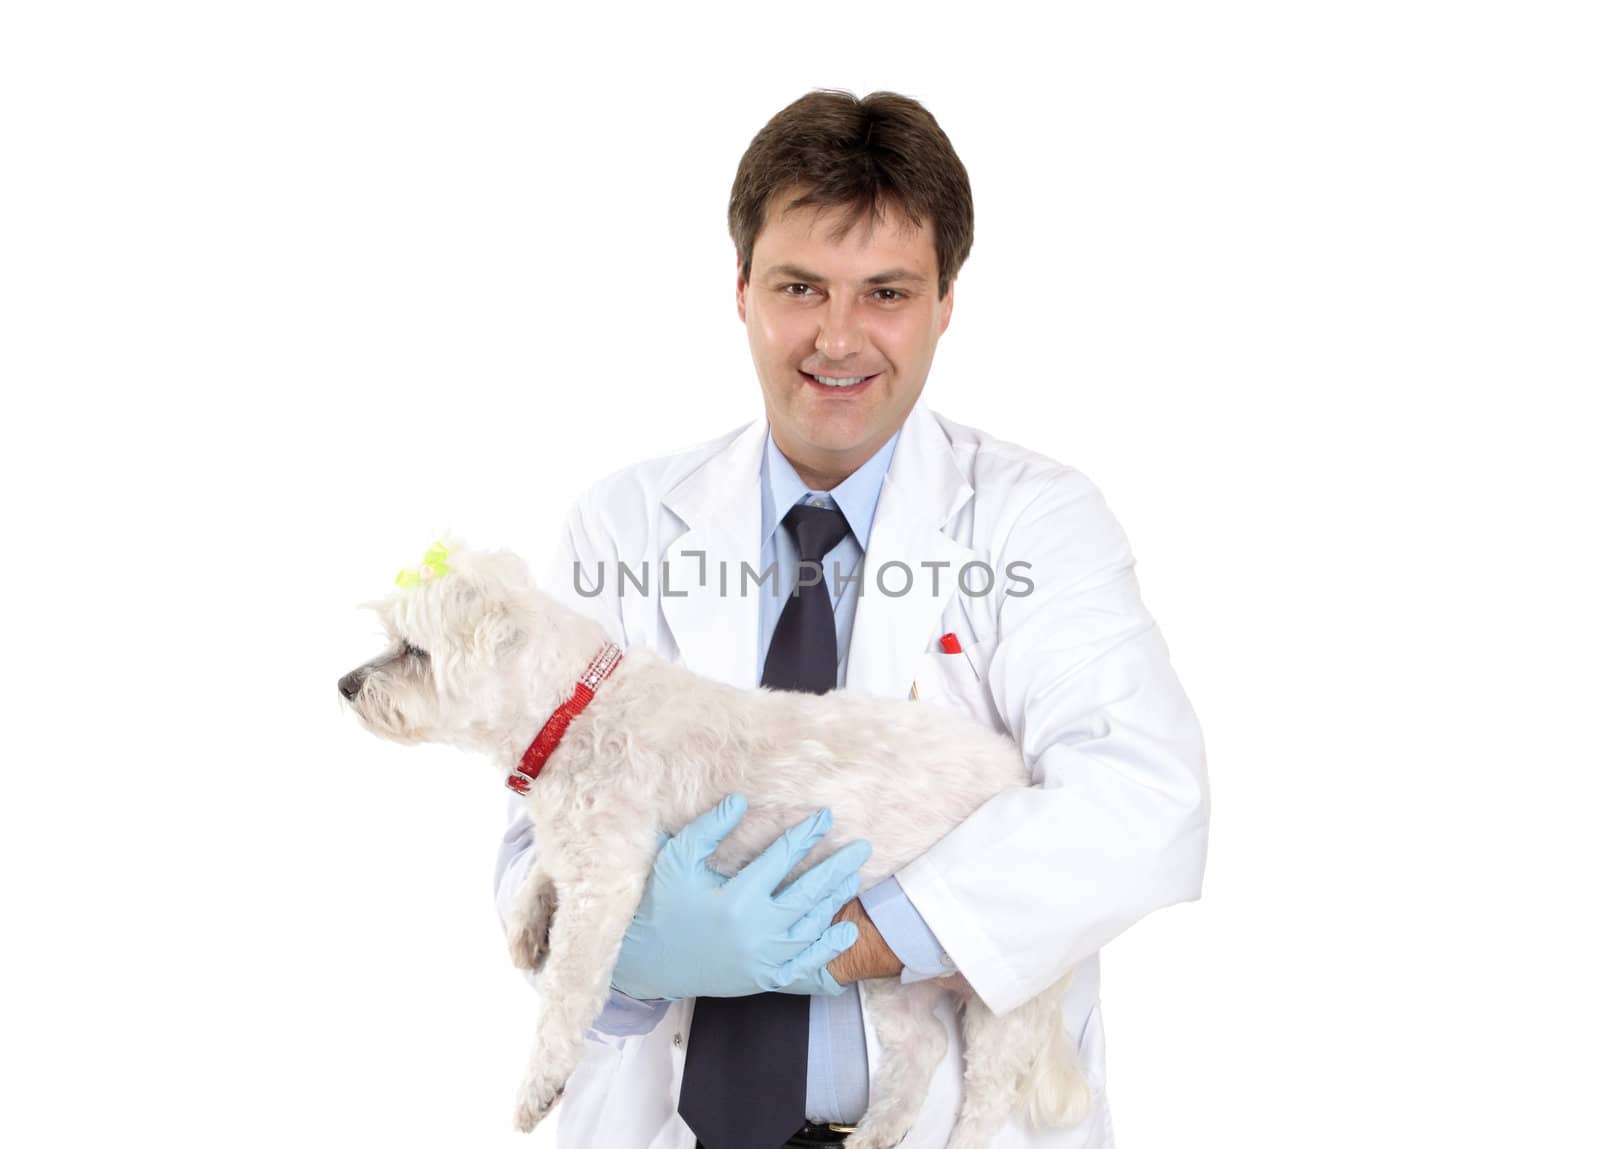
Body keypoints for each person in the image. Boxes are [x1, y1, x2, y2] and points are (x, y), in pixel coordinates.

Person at [493, 89, 1209, 1149]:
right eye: (798, 287)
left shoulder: (1035, 521)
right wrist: (638, 958)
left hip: (943, 1118)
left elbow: (1142, 801)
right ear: (740, 290)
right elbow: (534, 825)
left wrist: (851, 937)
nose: (837, 336)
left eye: (885, 292)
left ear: (944, 303)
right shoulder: (626, 522)